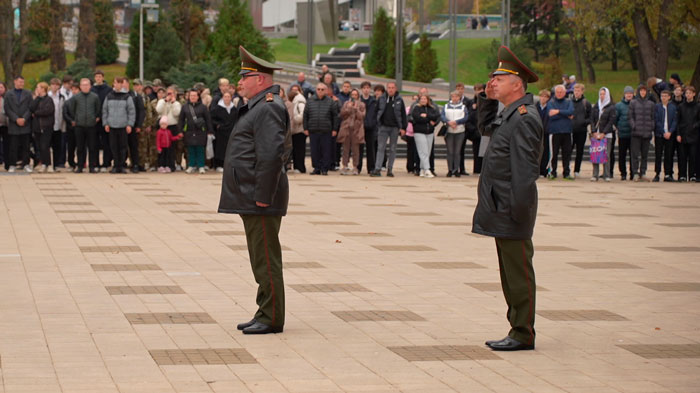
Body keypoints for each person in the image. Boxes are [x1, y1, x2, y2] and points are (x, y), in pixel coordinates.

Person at [473, 46, 543, 352]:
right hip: (502, 205)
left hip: (512, 208)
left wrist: (518, 212)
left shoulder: (525, 118)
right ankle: (517, 328)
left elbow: (525, 173)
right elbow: (485, 130)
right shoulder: (510, 114)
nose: (493, 82)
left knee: (519, 273)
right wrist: (485, 101)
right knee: (509, 272)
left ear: (517, 84)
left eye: (499, 78)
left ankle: (523, 333)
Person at [218, 46, 291, 335]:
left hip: (259, 196)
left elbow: (273, 155)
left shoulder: (268, 106)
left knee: (265, 258)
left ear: (259, 79)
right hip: (250, 193)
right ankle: (264, 310)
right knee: (260, 257)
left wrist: (263, 195)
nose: (240, 83)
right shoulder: (260, 105)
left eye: (244, 77)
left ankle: (271, 317)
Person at [64, 78, 101, 173]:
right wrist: (76, 119)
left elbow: (98, 109)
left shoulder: (95, 97)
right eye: (83, 85)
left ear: (90, 86)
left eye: (87, 85)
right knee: (80, 147)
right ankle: (80, 166)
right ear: (80, 86)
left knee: (92, 147)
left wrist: (95, 118)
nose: (85, 87)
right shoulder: (76, 97)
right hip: (79, 126)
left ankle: (92, 166)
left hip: (91, 126)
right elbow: (72, 110)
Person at [371, 82, 406, 177]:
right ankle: (377, 168)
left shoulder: (399, 100)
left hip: (394, 128)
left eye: (392, 88)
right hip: (383, 127)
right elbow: (376, 112)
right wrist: (377, 124)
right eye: (389, 88)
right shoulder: (381, 99)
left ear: (396, 89)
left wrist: (403, 127)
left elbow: (403, 114)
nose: (391, 89)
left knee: (392, 149)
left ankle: (390, 169)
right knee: (380, 148)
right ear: (386, 89)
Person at [102, 77, 136, 174]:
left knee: (123, 147)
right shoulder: (109, 96)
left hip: (123, 126)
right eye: (114, 83)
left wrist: (130, 124)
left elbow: (131, 112)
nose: (115, 85)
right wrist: (106, 123)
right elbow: (105, 110)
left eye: (117, 83)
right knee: (113, 146)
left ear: (121, 84)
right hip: (112, 126)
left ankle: (121, 165)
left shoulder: (127, 97)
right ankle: (115, 165)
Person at [304, 83, 338, 175]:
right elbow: (305, 115)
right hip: (313, 130)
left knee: (326, 150)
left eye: (322, 89)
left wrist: (335, 129)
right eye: (318, 89)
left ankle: (324, 168)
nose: (320, 91)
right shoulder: (310, 101)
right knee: (314, 151)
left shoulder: (330, 102)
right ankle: (316, 168)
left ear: (326, 91)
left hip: (326, 130)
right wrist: (305, 128)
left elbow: (335, 116)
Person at [4, 76, 33, 173]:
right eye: (20, 82)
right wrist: (16, 119)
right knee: (13, 146)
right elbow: (7, 109)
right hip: (14, 124)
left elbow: (30, 108)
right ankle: (12, 164)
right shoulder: (8, 94)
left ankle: (26, 164)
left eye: (23, 82)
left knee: (26, 146)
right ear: (15, 82)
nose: (22, 84)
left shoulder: (28, 93)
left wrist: (24, 118)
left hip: (25, 123)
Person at [179, 89, 213, 174]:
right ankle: (191, 165)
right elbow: (181, 120)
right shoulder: (185, 107)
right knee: (190, 149)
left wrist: (210, 130)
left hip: (201, 131)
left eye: (195, 95)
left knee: (200, 149)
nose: (193, 97)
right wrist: (180, 131)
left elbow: (208, 119)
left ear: (198, 97)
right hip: (189, 131)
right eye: (191, 95)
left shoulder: (203, 107)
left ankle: (201, 166)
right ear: (188, 97)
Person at [546, 85, 575, 180]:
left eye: (561, 92)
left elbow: (571, 112)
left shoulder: (568, 101)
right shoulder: (551, 102)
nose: (559, 94)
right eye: (557, 92)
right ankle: (552, 172)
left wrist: (558, 111)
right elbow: (551, 115)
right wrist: (565, 114)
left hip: (567, 131)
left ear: (564, 93)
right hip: (555, 131)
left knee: (567, 153)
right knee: (554, 153)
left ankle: (566, 172)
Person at [629, 84, 656, 181]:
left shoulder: (651, 104)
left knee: (645, 155)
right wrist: (633, 125)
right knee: (635, 154)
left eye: (644, 91)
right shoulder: (633, 103)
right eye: (641, 91)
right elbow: (630, 116)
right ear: (638, 92)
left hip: (647, 133)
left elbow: (653, 117)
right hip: (636, 133)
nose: (643, 92)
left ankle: (643, 172)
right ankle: (635, 172)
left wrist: (651, 127)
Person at [590, 87, 616, 182]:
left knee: (606, 155)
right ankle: (595, 174)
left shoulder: (611, 107)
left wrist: (603, 133)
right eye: (600, 94)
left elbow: (611, 121)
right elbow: (592, 119)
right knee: (595, 154)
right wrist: (593, 131)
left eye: (604, 94)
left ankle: (606, 174)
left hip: (606, 135)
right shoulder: (596, 106)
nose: (602, 96)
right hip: (595, 134)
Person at [338, 89, 366, 175]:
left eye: (355, 95)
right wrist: (348, 109)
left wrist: (356, 109)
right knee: (345, 149)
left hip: (356, 130)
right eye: (352, 95)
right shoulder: (346, 103)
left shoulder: (362, 104)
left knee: (355, 150)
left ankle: (355, 167)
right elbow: (342, 114)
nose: (354, 96)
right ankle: (344, 166)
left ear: (358, 96)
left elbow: (362, 116)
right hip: (346, 128)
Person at [411, 94, 439, 178]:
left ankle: (422, 169)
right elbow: (417, 118)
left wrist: (426, 116)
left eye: (425, 99)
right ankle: (427, 169)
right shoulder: (416, 108)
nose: (423, 100)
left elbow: (435, 117)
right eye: (421, 99)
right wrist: (427, 119)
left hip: (429, 132)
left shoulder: (432, 108)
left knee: (428, 151)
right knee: (423, 151)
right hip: (419, 132)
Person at [441, 91, 468, 177]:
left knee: (457, 151)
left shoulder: (463, 107)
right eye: (453, 97)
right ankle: (450, 169)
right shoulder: (446, 106)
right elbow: (442, 116)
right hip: (449, 131)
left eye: (456, 97)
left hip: (459, 131)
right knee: (450, 151)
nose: (455, 98)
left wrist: (456, 122)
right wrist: (448, 122)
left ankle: (456, 169)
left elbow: (466, 117)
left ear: (459, 98)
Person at [29, 82, 55, 172]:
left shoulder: (49, 99)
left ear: (43, 89)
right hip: (37, 127)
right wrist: (37, 97)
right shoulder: (37, 99)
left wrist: (36, 113)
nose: (37, 89)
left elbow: (47, 111)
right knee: (39, 146)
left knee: (45, 146)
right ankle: (43, 163)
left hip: (46, 126)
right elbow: (31, 108)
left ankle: (49, 164)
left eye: (38, 87)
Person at [211, 91, 239, 172]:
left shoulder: (234, 109)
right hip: (221, 133)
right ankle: (219, 165)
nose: (227, 98)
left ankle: (229, 165)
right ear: (223, 98)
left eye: (228, 97)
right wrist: (218, 125)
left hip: (231, 132)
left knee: (230, 149)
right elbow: (212, 119)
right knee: (220, 149)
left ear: (231, 98)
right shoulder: (217, 108)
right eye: (225, 97)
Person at [653, 90, 678, 182]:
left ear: (669, 97)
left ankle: (668, 174)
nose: (663, 97)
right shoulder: (657, 107)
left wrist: (670, 132)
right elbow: (656, 120)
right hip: (660, 134)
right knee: (658, 154)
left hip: (670, 135)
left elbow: (675, 121)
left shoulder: (673, 107)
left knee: (669, 155)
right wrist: (663, 132)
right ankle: (657, 173)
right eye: (662, 96)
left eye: (665, 96)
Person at [91, 69, 113, 172]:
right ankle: (95, 164)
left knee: (106, 143)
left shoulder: (108, 89)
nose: (98, 78)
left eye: (100, 76)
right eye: (96, 77)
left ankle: (105, 163)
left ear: (103, 78)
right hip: (94, 120)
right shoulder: (91, 89)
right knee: (94, 143)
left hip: (105, 120)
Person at [156, 86, 182, 170]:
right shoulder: (161, 101)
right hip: (162, 127)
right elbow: (158, 110)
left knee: (171, 148)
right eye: (168, 93)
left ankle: (170, 165)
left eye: (171, 93)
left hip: (172, 126)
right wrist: (165, 102)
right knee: (162, 147)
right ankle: (161, 164)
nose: (169, 95)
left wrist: (173, 103)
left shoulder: (177, 103)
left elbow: (176, 113)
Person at [677, 86, 699, 182]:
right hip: (683, 134)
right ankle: (682, 175)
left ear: (694, 94)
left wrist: (695, 126)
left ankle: (692, 174)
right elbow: (677, 121)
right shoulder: (681, 106)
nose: (688, 95)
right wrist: (678, 134)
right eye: (686, 93)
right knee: (682, 156)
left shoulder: (698, 106)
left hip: (694, 135)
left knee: (693, 156)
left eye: (690, 93)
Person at [570, 83, 592, 178]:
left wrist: (584, 122)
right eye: (575, 91)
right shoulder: (569, 102)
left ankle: (577, 170)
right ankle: (566, 168)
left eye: (578, 91)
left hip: (582, 130)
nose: (576, 92)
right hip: (570, 130)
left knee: (579, 151)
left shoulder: (586, 103)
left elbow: (591, 117)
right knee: (568, 150)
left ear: (582, 91)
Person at [359, 82, 378, 174]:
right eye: (364, 88)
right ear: (362, 89)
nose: (366, 90)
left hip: (371, 128)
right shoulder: (359, 100)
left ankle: (371, 168)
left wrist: (374, 124)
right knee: (359, 148)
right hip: (360, 128)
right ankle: (358, 167)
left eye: (368, 88)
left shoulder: (374, 101)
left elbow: (376, 115)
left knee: (371, 149)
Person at [615, 86, 634, 180]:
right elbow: (615, 118)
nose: (629, 95)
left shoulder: (635, 104)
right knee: (622, 155)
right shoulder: (619, 105)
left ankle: (633, 173)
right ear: (624, 94)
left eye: (630, 93)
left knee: (633, 155)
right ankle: (623, 173)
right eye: (627, 93)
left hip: (633, 134)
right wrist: (619, 127)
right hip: (622, 134)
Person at [48, 78, 66, 172]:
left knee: (57, 146)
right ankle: (47, 164)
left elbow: (63, 111)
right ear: (50, 85)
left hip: (58, 124)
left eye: (57, 85)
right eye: (53, 84)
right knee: (47, 146)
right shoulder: (47, 96)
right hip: (48, 125)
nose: (55, 87)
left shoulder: (61, 97)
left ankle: (56, 165)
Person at [287, 86, 307, 174]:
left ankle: (300, 167)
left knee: (299, 149)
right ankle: (297, 166)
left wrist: (295, 120)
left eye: (296, 90)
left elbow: (302, 115)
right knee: (295, 149)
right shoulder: (294, 101)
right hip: (294, 130)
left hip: (299, 129)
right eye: (293, 90)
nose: (294, 91)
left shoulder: (300, 101)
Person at [128, 79, 146, 172]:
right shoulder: (132, 96)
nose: (136, 87)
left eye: (138, 85)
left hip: (144, 124)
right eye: (135, 85)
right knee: (134, 145)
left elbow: (146, 112)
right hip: (135, 124)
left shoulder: (146, 97)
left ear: (142, 86)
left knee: (142, 146)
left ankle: (141, 164)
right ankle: (133, 163)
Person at [536, 89, 551, 177]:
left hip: (546, 132)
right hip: (537, 132)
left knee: (545, 152)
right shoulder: (535, 107)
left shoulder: (549, 107)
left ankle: (544, 170)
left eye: (545, 97)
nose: (543, 98)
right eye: (542, 96)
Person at [0, 82, 7, 170]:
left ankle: (7, 162)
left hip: (5, 124)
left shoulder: (7, 98)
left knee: (6, 143)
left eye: (1, 87)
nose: (0, 89)